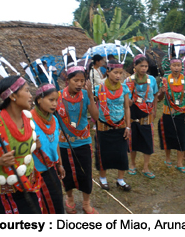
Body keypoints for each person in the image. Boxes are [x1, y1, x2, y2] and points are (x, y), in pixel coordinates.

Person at [0, 76, 42, 214]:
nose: (31, 96)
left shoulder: (27, 119)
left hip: (29, 184)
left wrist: (33, 145)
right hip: (6, 193)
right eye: (27, 91)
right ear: (13, 96)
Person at [56, 65, 99, 214]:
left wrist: (91, 97)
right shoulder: (58, 96)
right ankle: (70, 199)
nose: (80, 84)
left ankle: (86, 203)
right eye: (76, 80)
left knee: (85, 172)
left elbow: (95, 117)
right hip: (63, 142)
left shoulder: (86, 95)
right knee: (66, 172)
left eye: (82, 80)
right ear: (68, 80)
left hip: (83, 141)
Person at [94, 59, 131, 191]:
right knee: (104, 153)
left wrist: (128, 126)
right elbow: (92, 105)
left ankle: (120, 180)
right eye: (115, 72)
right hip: (104, 126)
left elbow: (126, 107)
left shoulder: (124, 88)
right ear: (108, 72)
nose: (118, 76)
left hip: (120, 126)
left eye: (120, 73)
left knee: (121, 153)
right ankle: (103, 179)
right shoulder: (99, 89)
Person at [31, 83, 65, 214]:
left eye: (56, 100)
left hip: (51, 169)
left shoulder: (54, 120)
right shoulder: (28, 121)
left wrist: (60, 164)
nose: (54, 104)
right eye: (51, 100)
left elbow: (55, 143)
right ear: (39, 99)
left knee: (56, 206)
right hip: (34, 174)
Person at [125, 54, 158, 179]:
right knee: (133, 141)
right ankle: (132, 164)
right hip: (133, 115)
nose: (144, 68)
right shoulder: (128, 81)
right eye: (141, 66)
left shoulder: (152, 80)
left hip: (147, 115)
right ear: (135, 66)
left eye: (146, 66)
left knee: (147, 141)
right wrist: (128, 102)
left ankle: (146, 167)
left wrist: (154, 109)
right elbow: (125, 100)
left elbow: (155, 95)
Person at [157, 57, 185, 172]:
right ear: (170, 67)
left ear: (182, 67)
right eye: (174, 65)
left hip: (181, 113)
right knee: (169, 136)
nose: (176, 68)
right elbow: (159, 98)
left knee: (182, 137)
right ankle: (167, 159)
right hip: (168, 113)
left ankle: (179, 162)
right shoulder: (165, 80)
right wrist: (161, 92)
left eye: (178, 65)